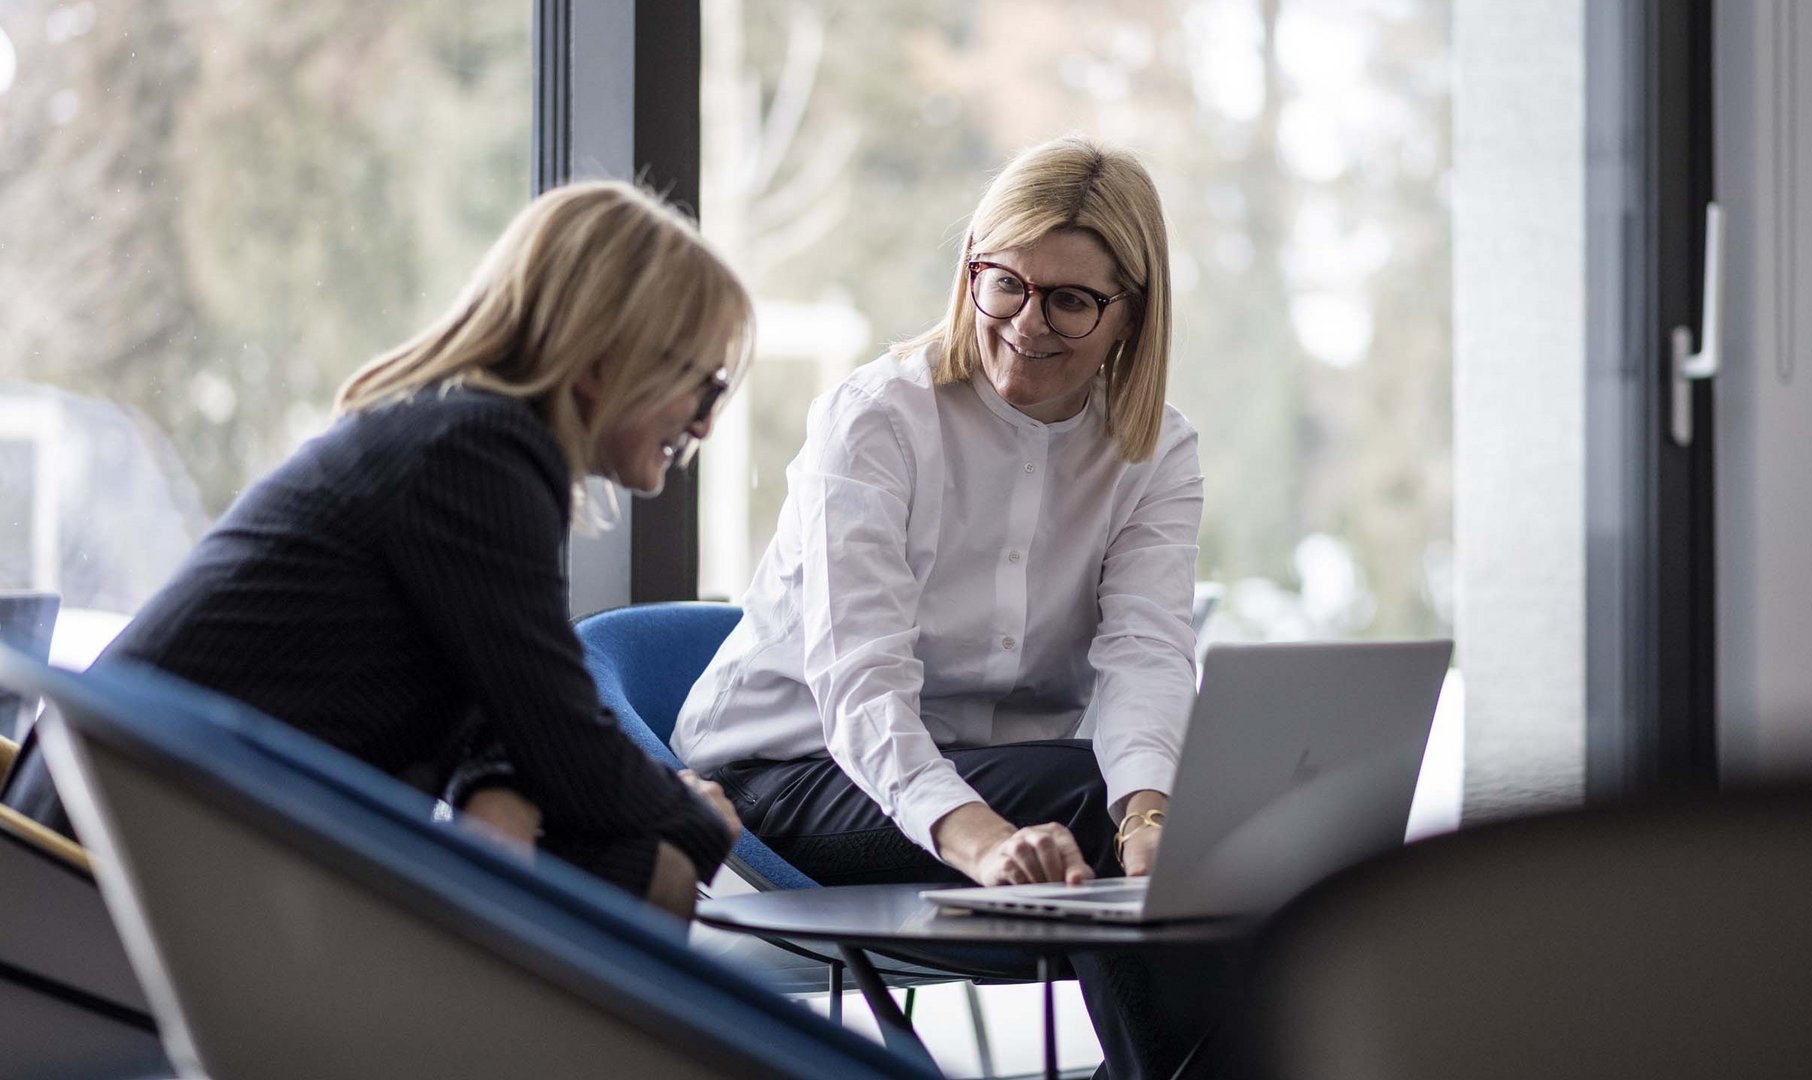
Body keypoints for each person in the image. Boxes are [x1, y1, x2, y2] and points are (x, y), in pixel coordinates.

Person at [2, 181, 748, 917]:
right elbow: (565, 741)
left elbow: (512, 704)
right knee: (654, 868)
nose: (707, 425)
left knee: (614, 867)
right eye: (703, 388)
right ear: (601, 364)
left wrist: (502, 788)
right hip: (108, 869)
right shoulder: (476, 458)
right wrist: (698, 821)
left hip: (123, 833)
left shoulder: (450, 438)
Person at [675, 136, 1221, 1076]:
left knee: (1202, 814)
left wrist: (1151, 820)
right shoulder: (879, 417)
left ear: (1133, 314)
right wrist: (986, 843)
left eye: (1071, 300)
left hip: (1012, 780)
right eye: (1001, 282)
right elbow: (860, 687)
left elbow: (1144, 652)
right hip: (795, 774)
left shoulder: (1155, 452)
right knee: (1090, 796)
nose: (1026, 323)